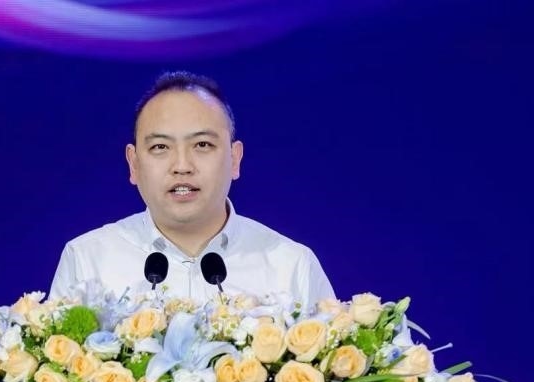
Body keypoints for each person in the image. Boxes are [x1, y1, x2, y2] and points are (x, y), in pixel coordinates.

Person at [49, 72, 336, 306]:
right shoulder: (87, 261)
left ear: (235, 159)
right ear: (133, 164)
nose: (182, 166)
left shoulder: (291, 267)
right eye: (160, 147)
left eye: (202, 145)